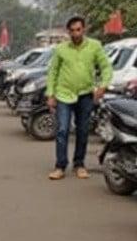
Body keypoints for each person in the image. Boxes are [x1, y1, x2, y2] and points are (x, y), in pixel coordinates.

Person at [46, 15, 113, 181]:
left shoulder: (94, 46)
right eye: (72, 30)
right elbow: (53, 72)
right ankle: (60, 166)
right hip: (64, 94)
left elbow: (106, 67)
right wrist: (50, 94)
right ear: (68, 32)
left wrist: (103, 86)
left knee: (83, 131)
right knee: (62, 130)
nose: (76, 33)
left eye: (78, 30)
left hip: (85, 94)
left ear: (84, 29)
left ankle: (79, 164)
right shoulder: (61, 49)